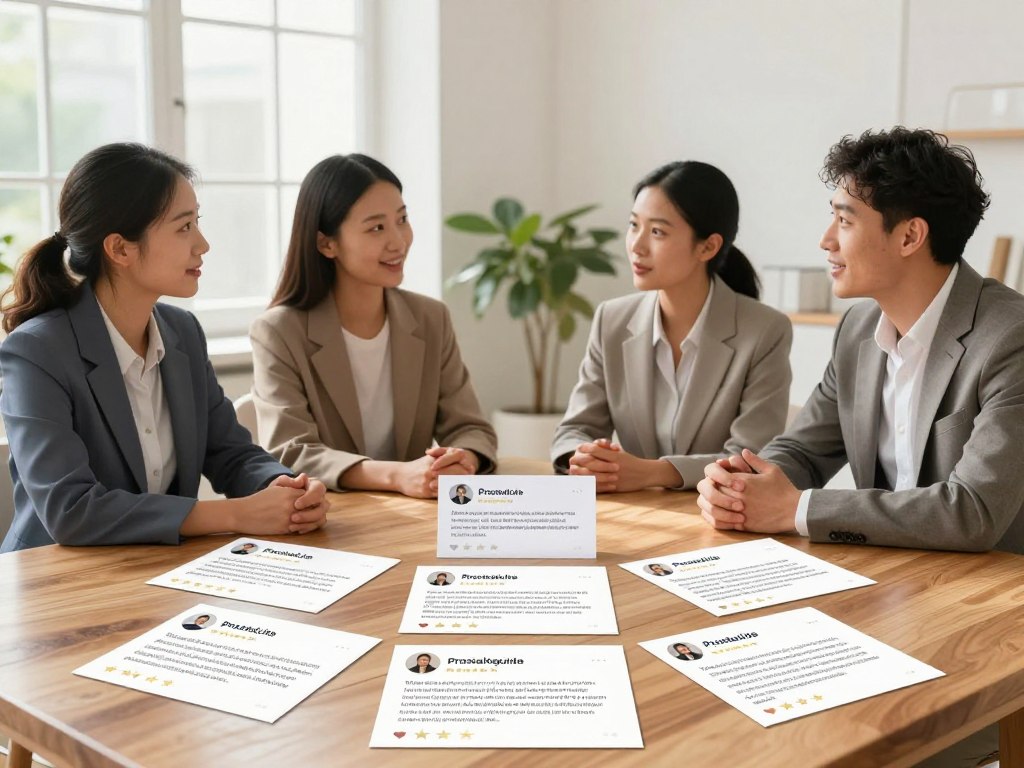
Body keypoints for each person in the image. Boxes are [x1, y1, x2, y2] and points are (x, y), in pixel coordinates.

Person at [697, 127, 1019, 768]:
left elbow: (972, 512)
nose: (825, 242)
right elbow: (804, 448)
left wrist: (792, 511)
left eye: (844, 221)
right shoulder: (858, 329)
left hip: (990, 625)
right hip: (899, 593)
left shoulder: (1009, 338)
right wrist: (742, 481)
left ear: (909, 236)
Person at [0, 143, 330, 554]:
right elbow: (71, 510)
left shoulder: (182, 331)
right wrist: (236, 515)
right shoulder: (36, 352)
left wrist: (282, 488)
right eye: (183, 227)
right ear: (120, 248)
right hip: (55, 585)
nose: (203, 244)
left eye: (197, 222)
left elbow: (229, 452)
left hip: (156, 569)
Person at [250, 154, 497, 499]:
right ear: (327, 243)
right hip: (332, 520)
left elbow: (470, 427)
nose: (399, 241)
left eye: (402, 219)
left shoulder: (430, 318)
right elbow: (291, 451)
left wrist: (460, 460)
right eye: (376, 228)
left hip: (415, 515)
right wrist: (397, 476)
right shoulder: (279, 331)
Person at [551, 161, 792, 491]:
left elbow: (750, 457)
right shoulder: (612, 320)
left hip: (722, 518)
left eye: (657, 232)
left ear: (707, 246)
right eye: (634, 225)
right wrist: (584, 457)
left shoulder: (764, 331)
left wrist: (652, 473)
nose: (637, 245)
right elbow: (575, 429)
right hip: (633, 517)